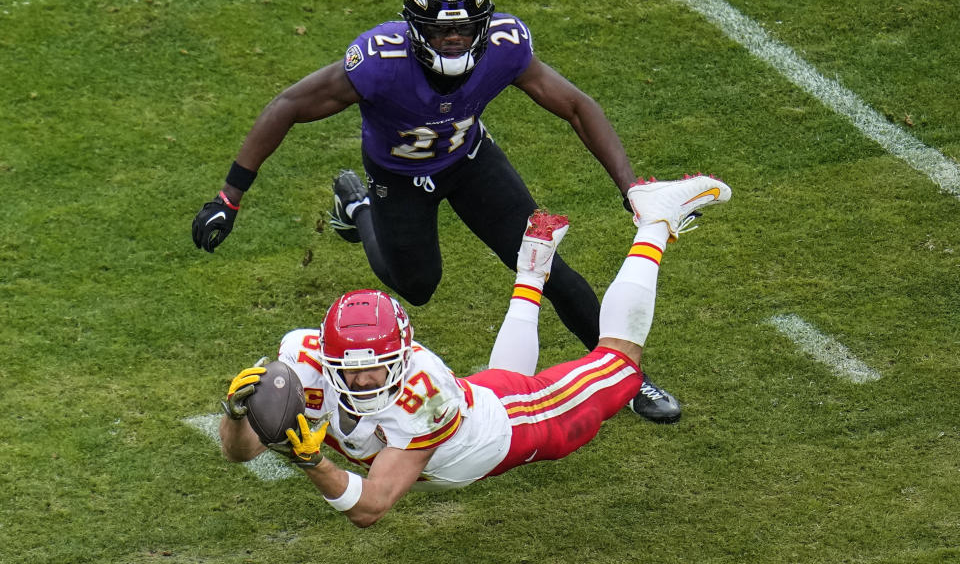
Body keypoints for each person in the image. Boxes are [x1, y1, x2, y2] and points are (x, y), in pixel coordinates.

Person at [193, 0, 677, 422]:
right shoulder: (380, 60)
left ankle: (628, 380)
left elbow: (574, 105)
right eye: (439, 29)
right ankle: (359, 206)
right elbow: (289, 105)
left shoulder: (506, 46)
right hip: (397, 178)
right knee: (418, 286)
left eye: (463, 28)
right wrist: (229, 197)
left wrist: (630, 186)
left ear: (482, 25)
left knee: (549, 270)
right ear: (414, 27)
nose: (451, 39)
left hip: (469, 160)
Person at [219, 174, 732, 527]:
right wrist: (238, 415)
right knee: (501, 376)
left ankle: (655, 220)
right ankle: (532, 269)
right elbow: (239, 452)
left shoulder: (424, 396)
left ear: (402, 359)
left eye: (376, 371)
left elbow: (371, 506)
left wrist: (312, 462)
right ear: (324, 360)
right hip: (475, 407)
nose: (362, 384)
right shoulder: (301, 362)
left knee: (618, 367)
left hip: (512, 424)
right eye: (349, 373)